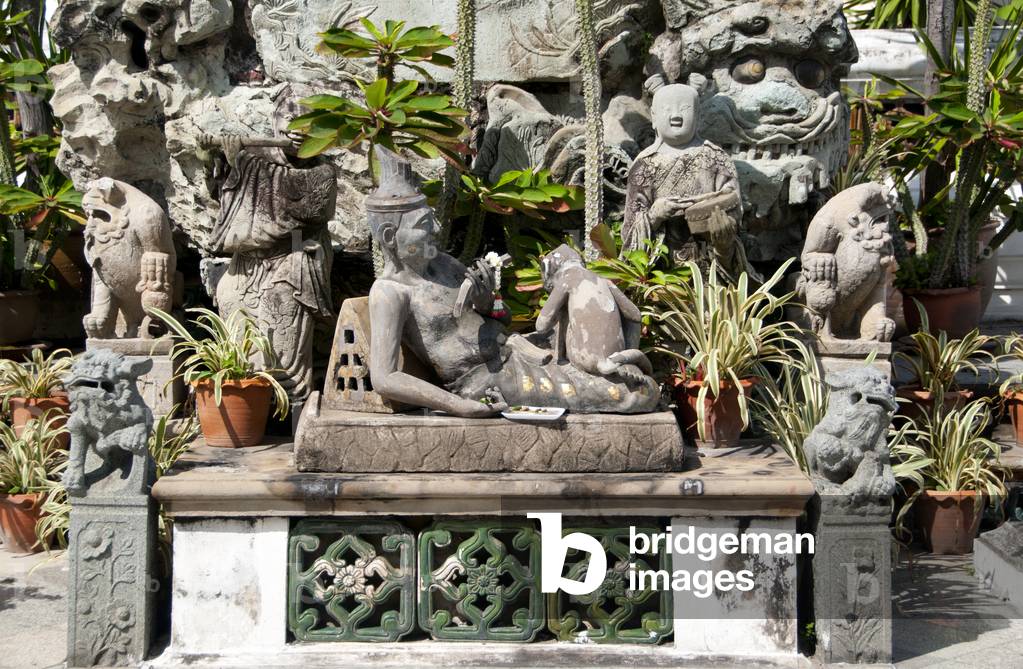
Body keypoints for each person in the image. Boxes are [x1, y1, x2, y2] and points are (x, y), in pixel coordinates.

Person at [366, 148, 659, 417]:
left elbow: (502, 316)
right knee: (637, 393)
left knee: (610, 369)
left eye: (432, 219)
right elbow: (384, 377)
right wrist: (457, 405)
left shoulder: (446, 265)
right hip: (490, 381)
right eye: (424, 225)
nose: (438, 228)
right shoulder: (390, 293)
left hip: (521, 350)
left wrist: (487, 302)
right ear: (391, 237)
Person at [200, 84, 334, 405]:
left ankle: (287, 407)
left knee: (280, 308)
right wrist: (216, 163)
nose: (296, 126)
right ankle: (242, 400)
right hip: (249, 261)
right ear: (275, 119)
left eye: (307, 119)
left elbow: (300, 211)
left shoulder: (322, 171)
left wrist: (242, 164)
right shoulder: (256, 160)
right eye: (289, 115)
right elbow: (222, 197)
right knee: (230, 294)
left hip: (294, 255)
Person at [621, 83, 751, 282]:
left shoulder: (716, 159)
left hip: (710, 263)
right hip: (662, 273)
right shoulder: (644, 165)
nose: (676, 116)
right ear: (654, 117)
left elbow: (733, 208)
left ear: (698, 117)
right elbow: (630, 229)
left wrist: (723, 232)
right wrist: (654, 216)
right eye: (667, 110)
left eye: (685, 109)